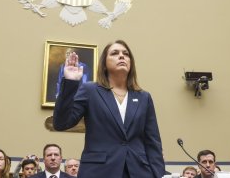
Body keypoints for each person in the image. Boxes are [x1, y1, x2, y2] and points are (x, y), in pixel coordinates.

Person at [53, 40, 165, 178]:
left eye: (126, 54)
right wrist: (70, 82)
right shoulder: (90, 90)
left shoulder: (143, 97)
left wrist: (157, 174)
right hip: (99, 171)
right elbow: (61, 123)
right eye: (114, 53)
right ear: (104, 64)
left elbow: (152, 141)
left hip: (138, 171)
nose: (122, 56)